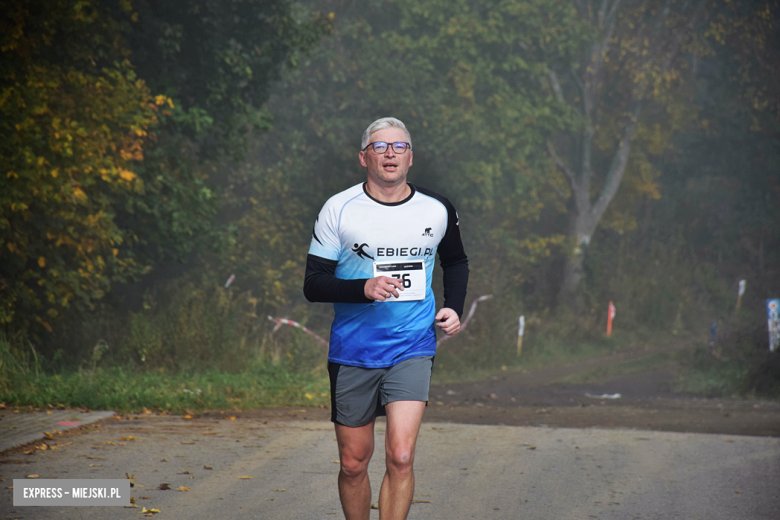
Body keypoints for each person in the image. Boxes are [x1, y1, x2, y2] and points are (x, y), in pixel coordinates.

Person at [304, 117, 469, 520]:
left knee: (401, 454)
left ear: (411, 156)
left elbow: (456, 262)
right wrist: (363, 289)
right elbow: (314, 284)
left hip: (412, 346)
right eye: (380, 147)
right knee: (353, 463)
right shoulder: (339, 208)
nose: (390, 153)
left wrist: (454, 306)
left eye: (399, 146)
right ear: (364, 157)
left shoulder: (437, 208)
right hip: (353, 350)